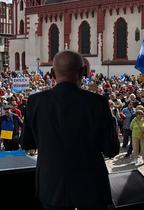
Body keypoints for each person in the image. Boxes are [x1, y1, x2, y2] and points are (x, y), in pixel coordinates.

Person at [22, 51, 119, 210]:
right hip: (91, 189)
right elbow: (111, 150)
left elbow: (27, 143)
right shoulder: (98, 103)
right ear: (83, 72)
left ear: (52, 73)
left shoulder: (35, 102)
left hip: (51, 187)